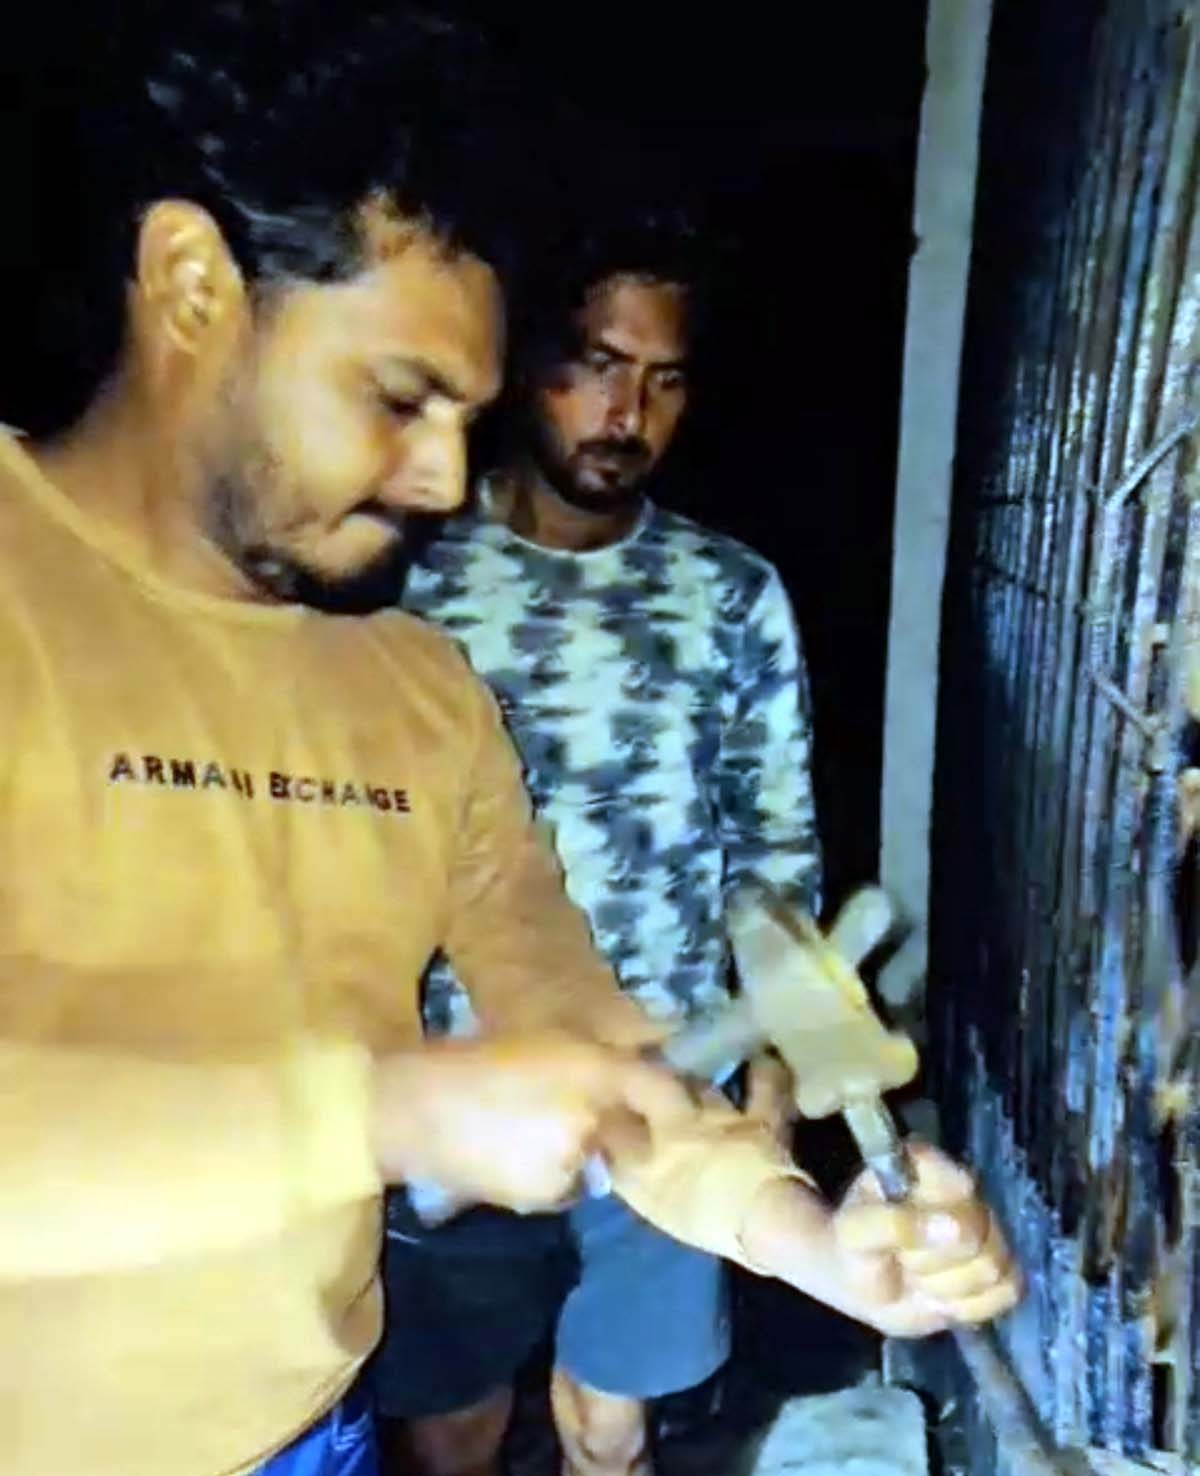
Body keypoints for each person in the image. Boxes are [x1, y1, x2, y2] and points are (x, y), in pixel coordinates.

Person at [1, 9, 1018, 1476]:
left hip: (308, 1435)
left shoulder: (417, 686)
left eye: (466, 421)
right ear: (191, 285)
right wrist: (382, 1112)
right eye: (399, 398)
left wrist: (822, 1245)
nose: (440, 480)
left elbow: (595, 1043)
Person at [372, 213, 955, 1476]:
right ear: (528, 367)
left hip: (676, 1080)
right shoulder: (410, 578)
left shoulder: (729, 592)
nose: (626, 412)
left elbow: (773, 842)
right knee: (449, 1426)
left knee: (612, 1420)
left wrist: (780, 1063)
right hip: (463, 1080)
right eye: (597, 365)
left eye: (664, 378)